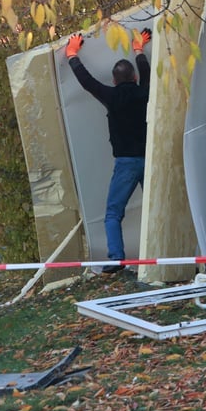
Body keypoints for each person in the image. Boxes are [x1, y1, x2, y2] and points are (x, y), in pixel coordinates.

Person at [65, 29, 151, 273]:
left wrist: (72, 54)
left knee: (113, 214)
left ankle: (116, 260)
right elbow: (145, 70)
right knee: (156, 208)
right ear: (133, 78)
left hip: (126, 163)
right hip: (150, 159)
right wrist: (138, 48)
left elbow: (87, 81)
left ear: (114, 81)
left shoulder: (111, 96)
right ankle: (166, 254)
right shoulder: (144, 91)